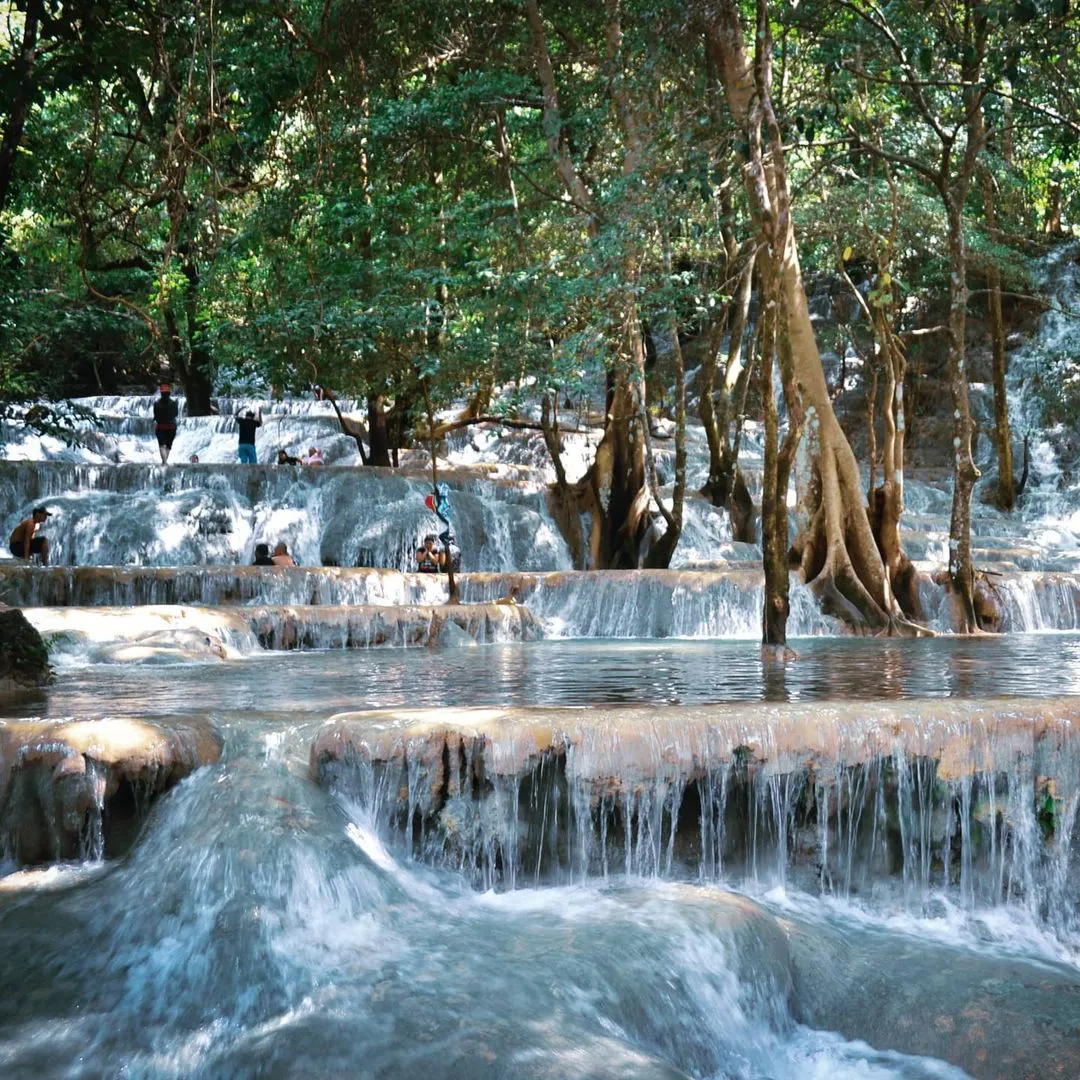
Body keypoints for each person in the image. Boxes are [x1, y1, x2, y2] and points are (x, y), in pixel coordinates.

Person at [153, 384, 178, 464]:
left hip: (160, 427)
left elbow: (155, 416)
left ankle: (164, 462)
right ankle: (164, 461)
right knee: (168, 446)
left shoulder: (156, 404)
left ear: (161, 393)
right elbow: (176, 414)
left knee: (162, 445)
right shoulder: (174, 403)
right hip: (171, 427)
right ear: (169, 394)